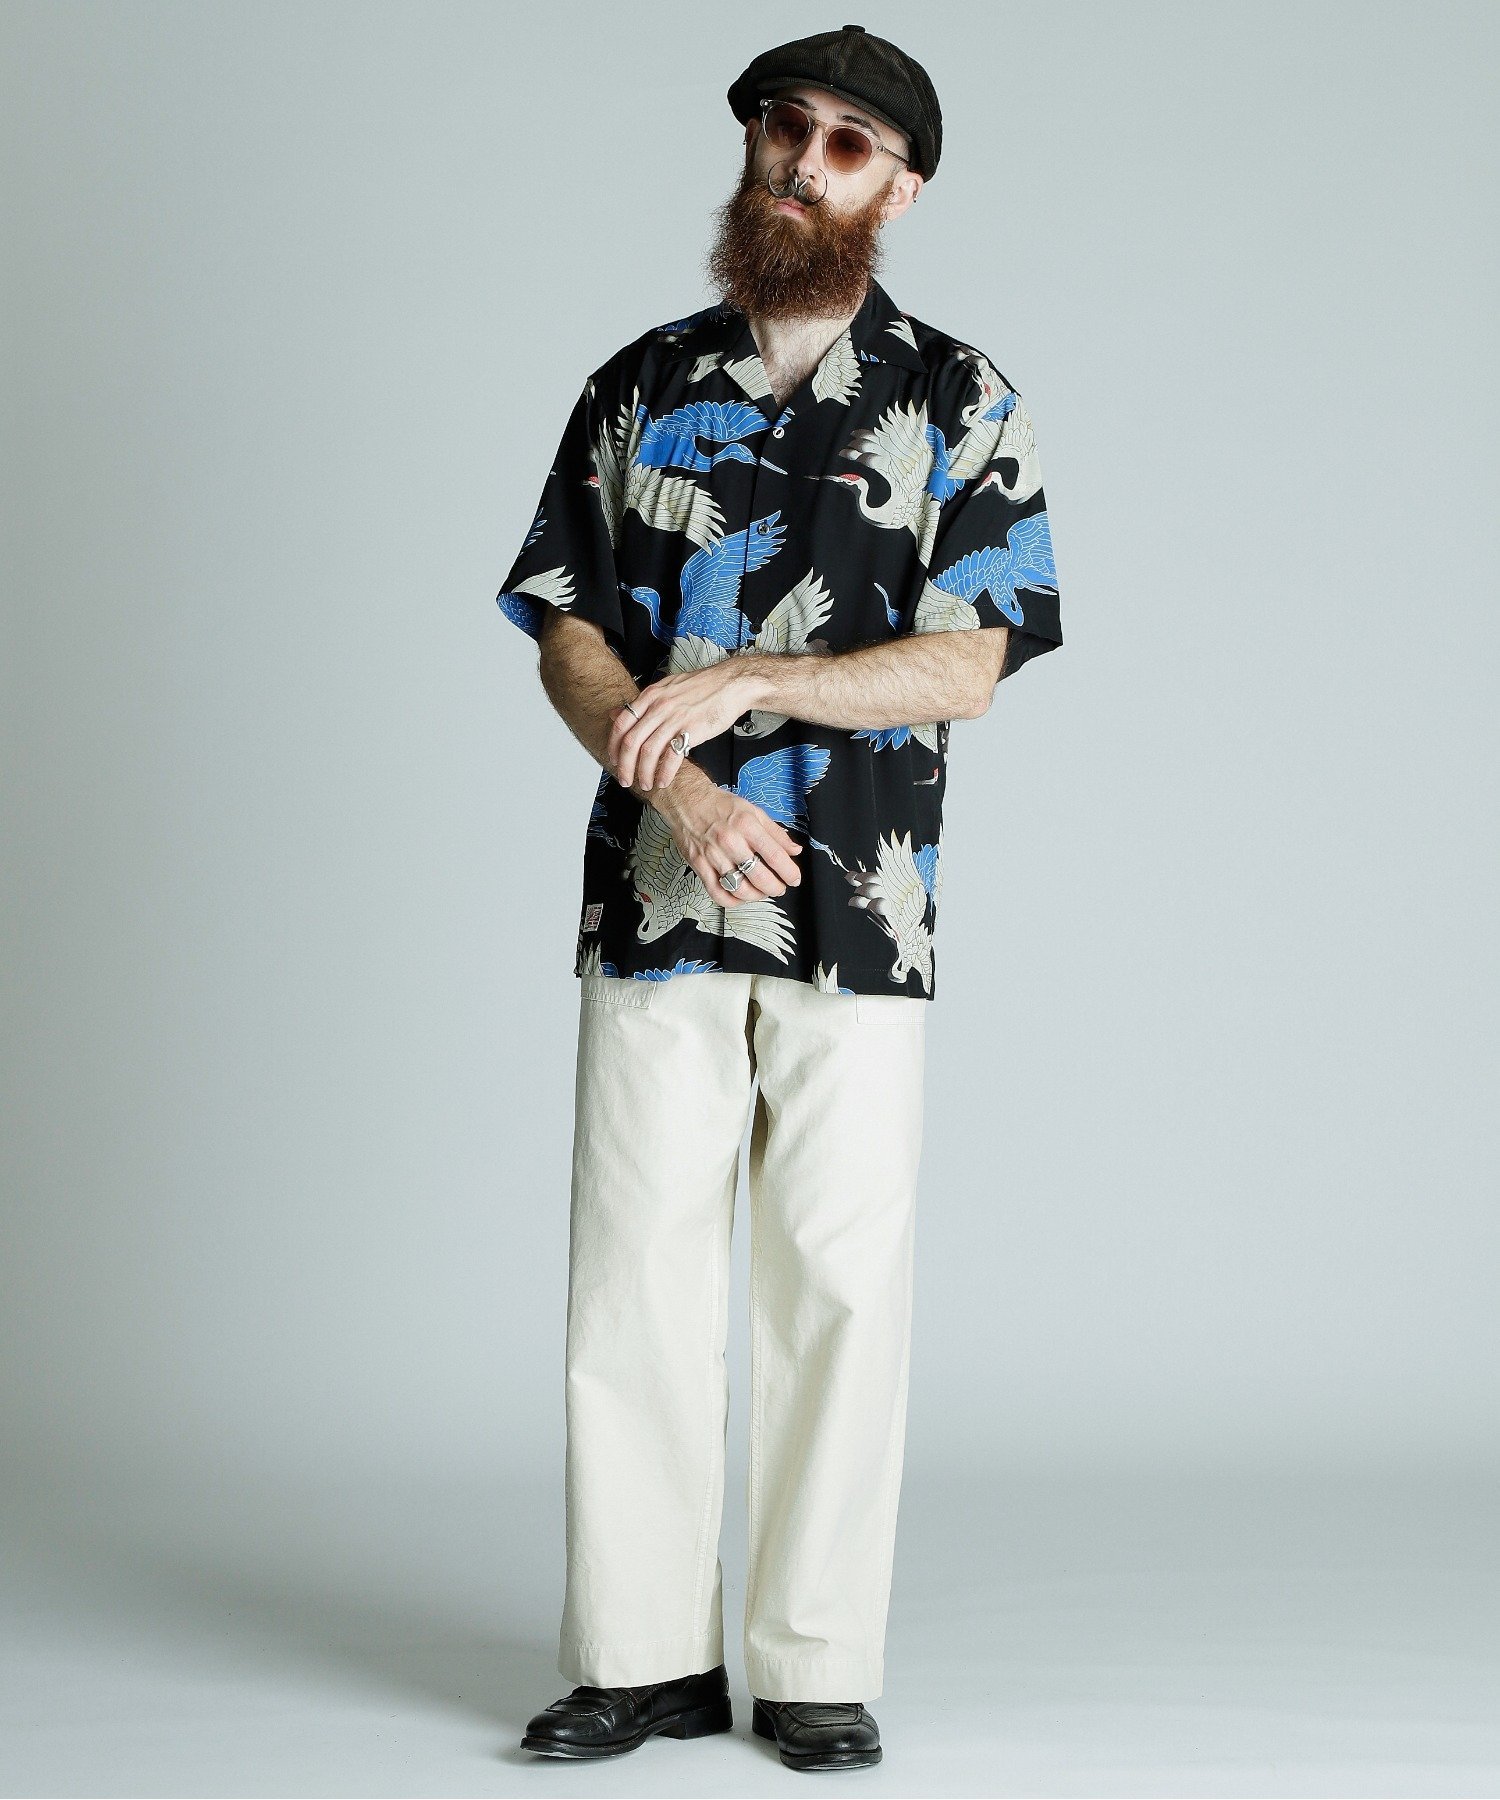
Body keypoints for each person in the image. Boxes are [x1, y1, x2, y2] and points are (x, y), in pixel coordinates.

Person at [493, 22, 1062, 1774]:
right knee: (631, 1282)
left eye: (846, 145)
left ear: (901, 188)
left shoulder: (961, 400)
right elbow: (568, 630)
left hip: (861, 909)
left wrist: (753, 680)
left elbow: (972, 660)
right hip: (654, 898)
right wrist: (670, 770)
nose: (803, 165)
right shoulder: (638, 384)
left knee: (836, 1280)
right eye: (783, 129)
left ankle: (814, 1662)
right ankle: (640, 1660)